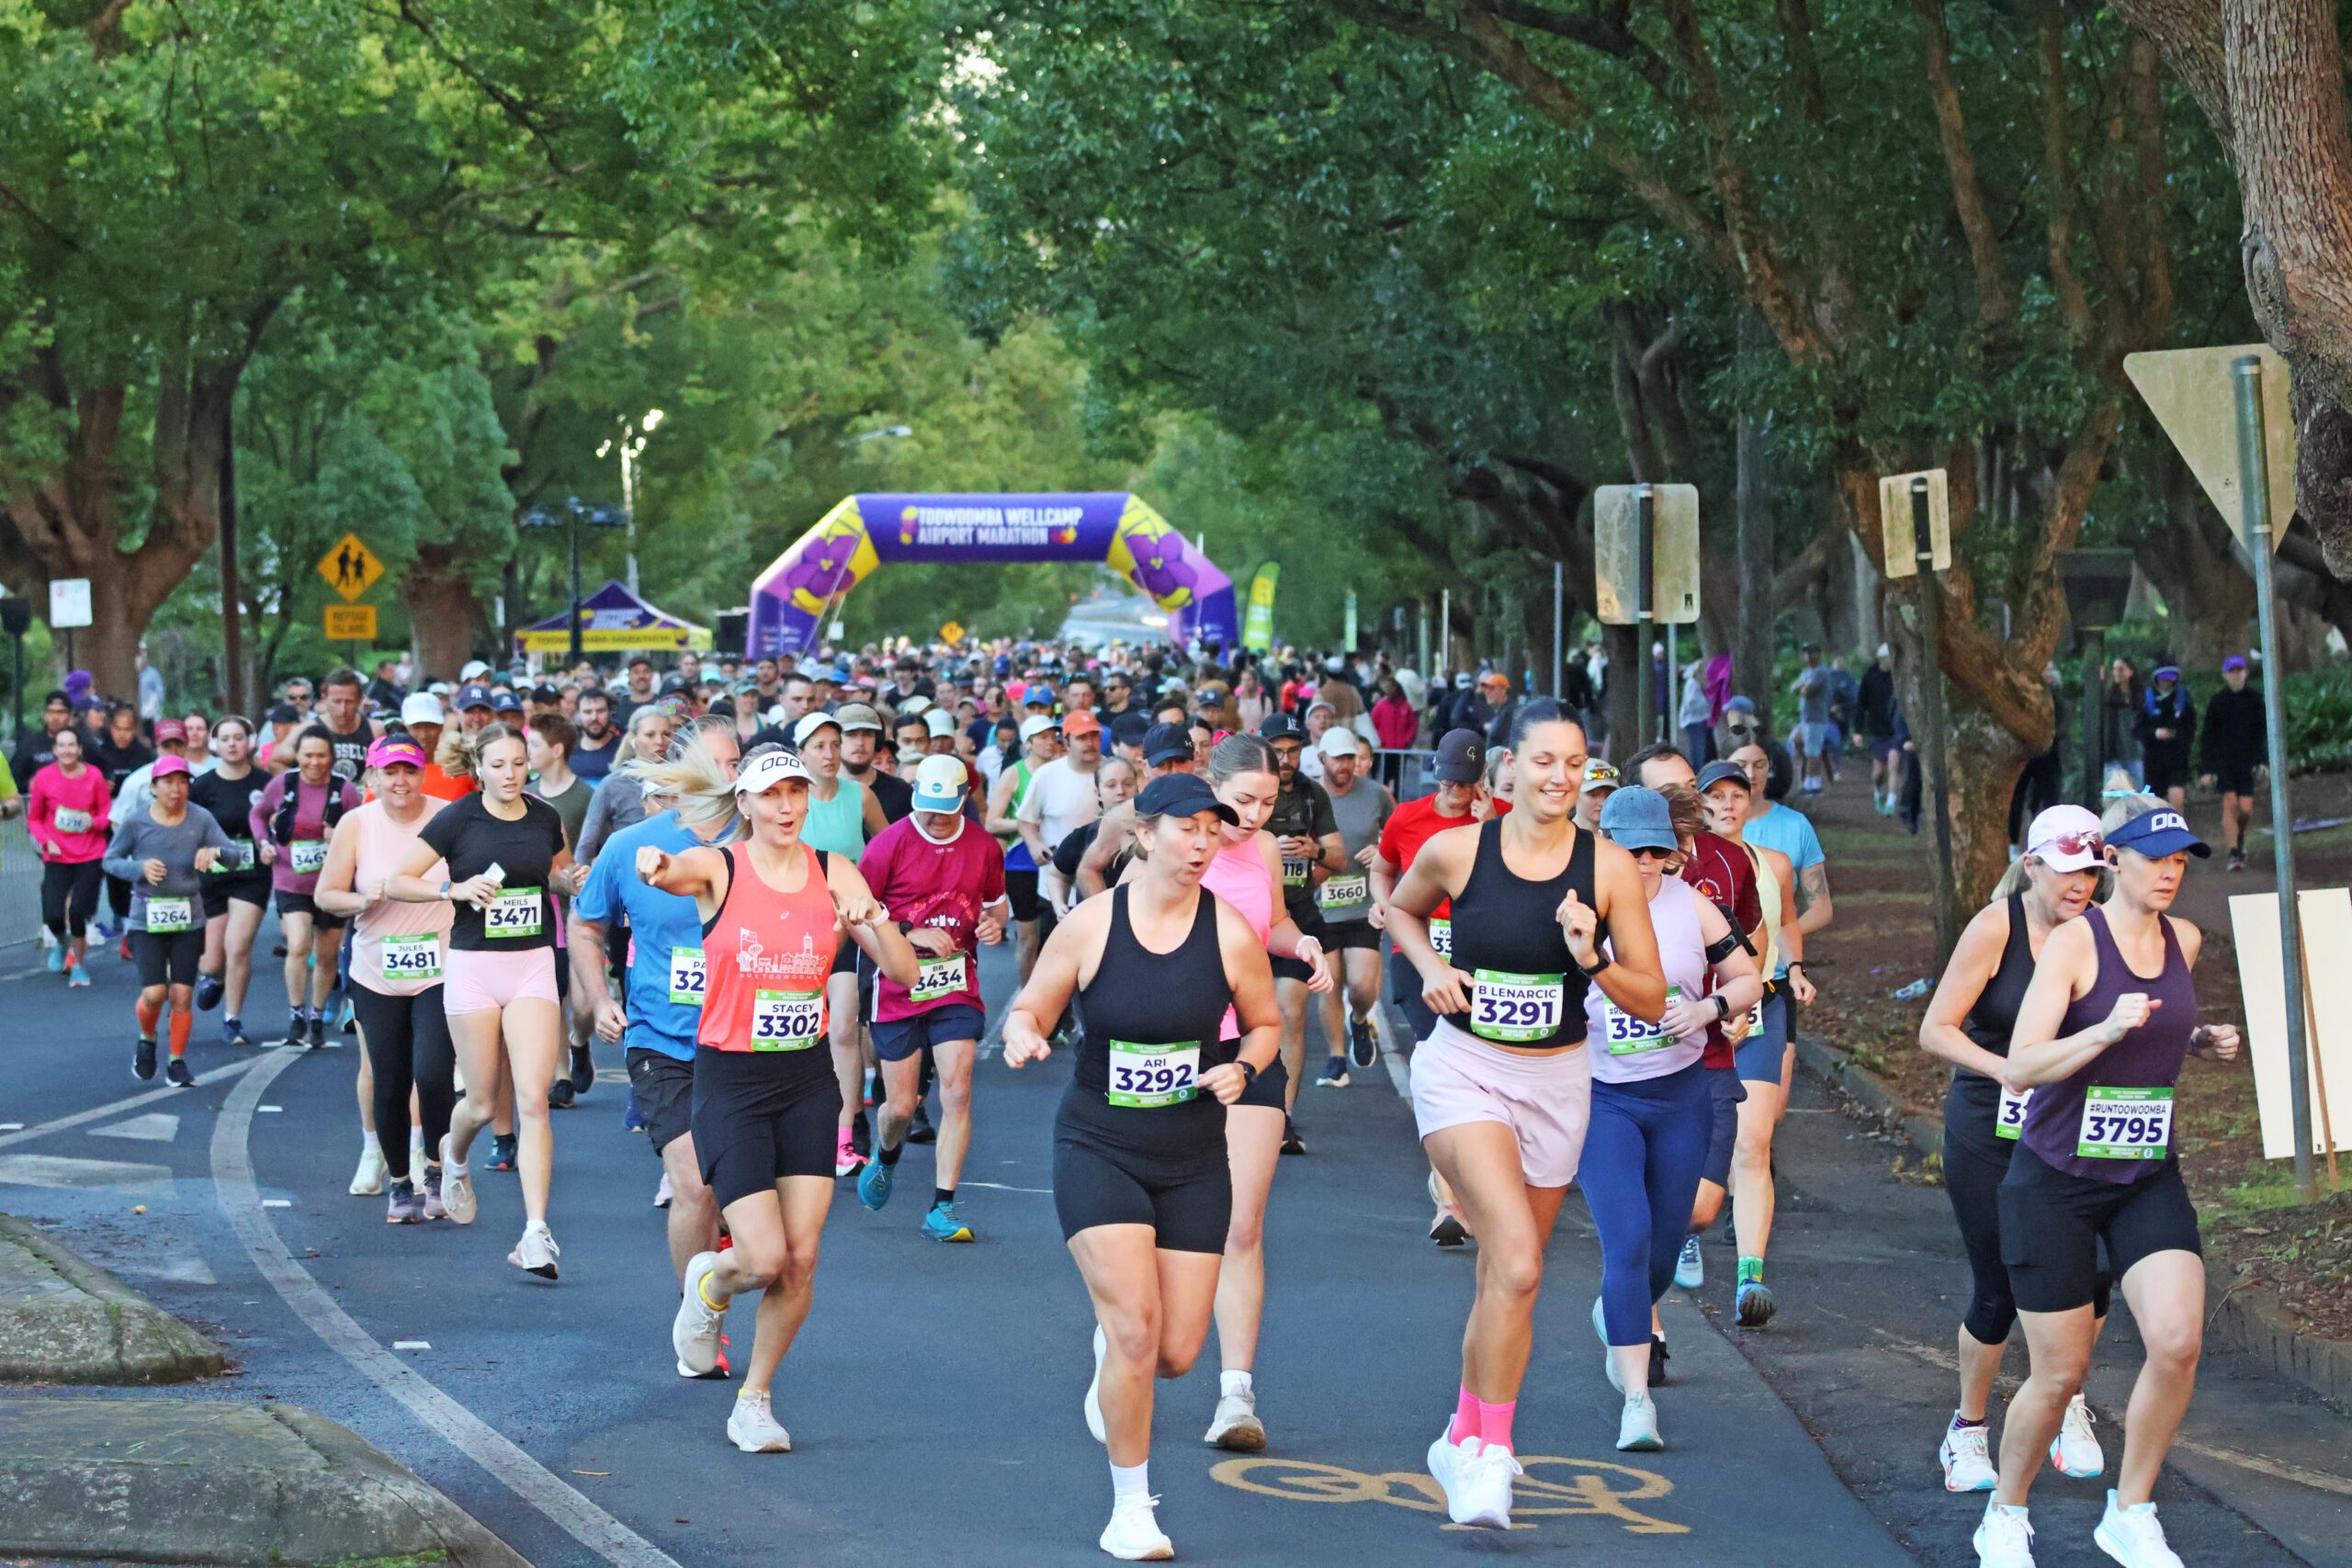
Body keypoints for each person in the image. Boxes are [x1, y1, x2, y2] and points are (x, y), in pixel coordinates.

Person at [1386, 700, 1666, 1529]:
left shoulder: (1607, 867)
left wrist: (1592, 956)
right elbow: (1399, 908)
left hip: (1557, 1081)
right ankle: (1492, 1453)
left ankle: (1460, 1431)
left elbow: (1651, 997)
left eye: (1575, 763)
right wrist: (1431, 965)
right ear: (1509, 765)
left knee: (1504, 1276)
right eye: (1544, 760)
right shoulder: (1458, 850)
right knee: (1516, 1264)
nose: (1560, 777)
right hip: (1464, 1070)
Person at [1002, 773, 1283, 1561]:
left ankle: (1115, 1348)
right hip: (1099, 1145)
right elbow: (1032, 1006)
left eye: (1213, 830)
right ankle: (1132, 1508)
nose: (1203, 843)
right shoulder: (1092, 924)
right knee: (1135, 1327)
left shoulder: (1229, 931)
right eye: (1188, 828)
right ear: (1145, 833)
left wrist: (1243, 1067)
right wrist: (1023, 1032)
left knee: (1175, 1352)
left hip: (1193, 1153)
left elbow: (1265, 1024)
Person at [1973, 800, 2242, 1568]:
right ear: (2113, 860)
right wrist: (2103, 1029)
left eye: (2180, 860)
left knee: (2178, 1341)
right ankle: (2005, 1512)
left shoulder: (2182, 939)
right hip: (2054, 1180)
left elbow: (2155, 1028)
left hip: (2145, 1173)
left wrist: (2197, 1038)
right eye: (2155, 858)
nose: (2169, 872)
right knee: (2061, 1373)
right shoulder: (2074, 944)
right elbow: (2023, 1062)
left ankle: (2131, 1510)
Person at [648, 746, 916, 1452]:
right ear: (745, 803)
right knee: (762, 1257)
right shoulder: (722, 867)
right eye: (771, 794)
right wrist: (656, 864)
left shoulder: (834, 870)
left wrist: (873, 916)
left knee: (800, 1258)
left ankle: (755, 1399)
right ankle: (710, 1283)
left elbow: (905, 971)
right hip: (732, 1082)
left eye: (796, 791)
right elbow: (675, 870)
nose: (787, 805)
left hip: (805, 1080)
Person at [1918, 804, 2111, 1495]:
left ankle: (2064, 1399)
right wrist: (2008, 1069)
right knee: (2000, 1283)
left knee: (2092, 1273)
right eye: (2065, 870)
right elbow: (1936, 1029)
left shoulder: (2103, 931)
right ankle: (1967, 1428)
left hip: (2073, 1124)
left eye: (2091, 870)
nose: (2080, 884)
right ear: (2031, 866)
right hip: (1990, 1123)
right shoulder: (1995, 926)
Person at [1580, 785, 1761, 1449]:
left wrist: (1709, 1009)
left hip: (1682, 1095)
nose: (1645, 862)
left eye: (1656, 850)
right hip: (1603, 1098)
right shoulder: (1581, 911)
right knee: (1627, 1241)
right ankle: (1637, 1400)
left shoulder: (1695, 906)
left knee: (1661, 1253)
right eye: (1632, 850)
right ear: (1606, 848)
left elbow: (1749, 977)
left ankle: (1618, 1307)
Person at [388, 723, 586, 1279]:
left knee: (532, 1099)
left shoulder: (545, 816)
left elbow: (556, 874)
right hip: (474, 967)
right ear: (479, 769)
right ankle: (453, 1157)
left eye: (518, 763)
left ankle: (535, 1233)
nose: (510, 774)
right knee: (479, 1104)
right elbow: (399, 881)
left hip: (532, 963)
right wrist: (451, 889)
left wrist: (572, 881)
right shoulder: (458, 818)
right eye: (498, 765)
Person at [574, 720, 742, 1286]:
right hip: (662, 1040)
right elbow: (586, 925)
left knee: (738, 1197)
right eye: (719, 763)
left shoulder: (763, 845)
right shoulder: (632, 846)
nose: (731, 774)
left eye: (736, 762)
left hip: (747, 1044)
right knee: (694, 1183)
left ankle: (721, 1242)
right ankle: (698, 1318)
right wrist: (600, 1000)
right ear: (684, 769)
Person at [854, 755, 1010, 1240]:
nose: (934, 818)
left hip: (956, 985)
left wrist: (993, 925)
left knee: (957, 1089)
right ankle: (886, 1154)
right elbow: (856, 916)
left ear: (964, 800)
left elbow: (997, 906)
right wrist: (907, 932)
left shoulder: (984, 846)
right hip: (897, 987)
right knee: (900, 1108)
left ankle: (942, 1207)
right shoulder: (889, 844)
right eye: (927, 808)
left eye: (945, 811)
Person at [314, 736, 457, 1223]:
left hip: (440, 967)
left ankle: (434, 1171)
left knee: (433, 1072)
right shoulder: (357, 823)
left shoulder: (446, 816)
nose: (400, 781)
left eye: (409, 771)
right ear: (372, 777)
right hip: (376, 971)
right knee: (390, 1080)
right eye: (390, 772)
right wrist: (362, 900)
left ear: (422, 773)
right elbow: (326, 895)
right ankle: (398, 1183)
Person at [1722, 742, 1833, 1325]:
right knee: (1701, 1146)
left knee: (1753, 1141)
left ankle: (1750, 1276)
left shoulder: (1775, 861)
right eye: (1715, 796)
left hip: (1762, 1002)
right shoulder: (1677, 864)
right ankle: (1686, 1229)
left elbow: (1788, 922)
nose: (1726, 806)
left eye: (1736, 796)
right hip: (1693, 1012)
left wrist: (1794, 970)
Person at [1370, 728, 1489, 1246]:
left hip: (1478, 962)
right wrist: (1385, 905)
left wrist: (1490, 825)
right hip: (1417, 955)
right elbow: (1383, 870)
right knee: (1439, 1062)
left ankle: (1467, 1178)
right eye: (1449, 781)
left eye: (1466, 782)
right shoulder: (1407, 817)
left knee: (1473, 1072)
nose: (1456, 792)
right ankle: (1449, 1201)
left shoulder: (1500, 818)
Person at [789, 709, 889, 1176]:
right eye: (819, 746)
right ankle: (794, 1127)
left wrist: (873, 899)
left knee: (845, 1029)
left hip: (847, 928)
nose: (830, 754)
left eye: (835, 744)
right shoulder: (790, 799)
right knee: (797, 1032)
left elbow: (890, 846)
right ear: (801, 753)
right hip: (794, 931)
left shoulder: (860, 795)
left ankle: (845, 1135)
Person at [104, 754, 232, 1085]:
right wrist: (139, 868)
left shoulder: (200, 818)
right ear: (154, 787)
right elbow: (110, 860)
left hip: (189, 919)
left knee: (182, 995)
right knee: (155, 993)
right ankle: (147, 1039)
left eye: (183, 782)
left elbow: (234, 855)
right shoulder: (136, 822)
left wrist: (216, 853)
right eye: (169, 782)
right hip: (146, 919)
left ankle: (177, 1061)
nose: (177, 789)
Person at [1256, 712, 1341, 1155]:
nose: (1287, 759)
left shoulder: (1313, 794)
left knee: (1291, 1012)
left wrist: (1314, 851)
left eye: (1293, 751)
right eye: (1278, 752)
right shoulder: (1249, 792)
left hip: (1296, 919)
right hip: (1248, 920)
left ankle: (1282, 1117)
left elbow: (1340, 857)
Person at [253, 728, 363, 1048]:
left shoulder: (344, 790)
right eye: (308, 755)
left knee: (326, 956)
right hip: (290, 879)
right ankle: (296, 1014)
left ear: (332, 757)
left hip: (332, 883)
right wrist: (264, 843)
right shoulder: (282, 784)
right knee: (299, 944)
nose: (314, 762)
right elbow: (258, 814)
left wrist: (338, 836)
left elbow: (361, 829)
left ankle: (316, 1015)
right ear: (297, 756)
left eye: (321, 756)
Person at [1309, 728, 1394, 1088]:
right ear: (1322, 759)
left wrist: (1382, 848)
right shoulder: (1308, 797)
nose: (1344, 765)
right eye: (1337, 758)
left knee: (1360, 986)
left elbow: (1399, 838)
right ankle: (1336, 1060)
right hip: (1321, 909)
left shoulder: (1376, 795)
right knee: (1329, 985)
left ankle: (1359, 1018)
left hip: (1363, 907)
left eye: (1349, 758)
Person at [190, 717, 273, 1041]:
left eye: (238, 737)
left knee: (237, 947)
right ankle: (216, 978)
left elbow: (279, 821)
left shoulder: (266, 783)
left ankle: (232, 1019)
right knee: (211, 961)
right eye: (225, 739)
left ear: (250, 742)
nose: (232, 744)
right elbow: (189, 828)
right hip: (213, 874)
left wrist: (272, 845)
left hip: (251, 874)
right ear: (214, 745)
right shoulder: (202, 786)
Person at [1018, 708, 1106, 912]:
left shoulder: (1113, 771)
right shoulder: (1046, 775)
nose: (1090, 742)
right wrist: (1034, 844)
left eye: (1094, 735)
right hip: (1055, 888)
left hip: (1104, 888)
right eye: (1082, 737)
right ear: (1066, 742)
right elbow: (1025, 820)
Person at [578, 704, 679, 864]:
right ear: (633, 738)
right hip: (629, 868)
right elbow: (586, 845)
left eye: (666, 734)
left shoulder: (683, 779)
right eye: (650, 735)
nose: (660, 741)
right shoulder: (613, 784)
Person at [2199, 656, 2265, 873]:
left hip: (2247, 762)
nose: (2236, 675)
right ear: (2225, 675)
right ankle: (2234, 851)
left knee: (2245, 809)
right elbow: (2208, 737)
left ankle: (2240, 837)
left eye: (2239, 671)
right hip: (2224, 762)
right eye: (2232, 671)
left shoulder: (2255, 700)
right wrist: (2207, 769)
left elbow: (2262, 733)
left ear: (2246, 673)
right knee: (2230, 803)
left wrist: (2262, 761)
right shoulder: (2218, 701)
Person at [2132, 666, 2196, 812]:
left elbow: (2190, 727)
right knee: (2154, 806)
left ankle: (2178, 825)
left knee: (2177, 801)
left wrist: (2177, 736)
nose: (2166, 682)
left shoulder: (2183, 698)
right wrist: (2155, 733)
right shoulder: (2147, 698)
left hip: (2177, 759)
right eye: (2163, 678)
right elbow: (2137, 729)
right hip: (2153, 761)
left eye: (2170, 678)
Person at [1859, 644, 1902, 816]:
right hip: (1877, 730)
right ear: (1881, 658)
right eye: (1888, 657)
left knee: (1894, 763)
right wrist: (1857, 731)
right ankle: (1878, 793)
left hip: (1895, 730)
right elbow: (1861, 705)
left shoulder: (1898, 676)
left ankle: (1891, 801)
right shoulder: (1870, 677)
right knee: (1878, 772)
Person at [1790, 644, 1832, 795]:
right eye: (1806, 653)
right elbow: (1793, 687)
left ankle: (1811, 783)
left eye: (1812, 652)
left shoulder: (1821, 672)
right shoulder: (1806, 672)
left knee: (1812, 750)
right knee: (1799, 743)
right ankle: (1813, 780)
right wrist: (1802, 686)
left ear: (1818, 654)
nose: (1808, 656)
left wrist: (1802, 687)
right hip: (1805, 718)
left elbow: (1808, 691)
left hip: (1816, 717)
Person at [316, 669, 372, 782]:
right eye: (337, 702)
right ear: (325, 699)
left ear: (360, 700)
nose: (343, 709)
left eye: (349, 702)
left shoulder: (375, 729)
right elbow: (279, 760)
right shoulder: (309, 729)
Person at [571, 689, 622, 782]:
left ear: (610, 713)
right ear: (578, 715)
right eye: (587, 712)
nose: (594, 718)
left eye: (600, 711)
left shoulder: (625, 749)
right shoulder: (568, 753)